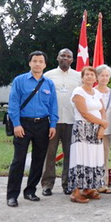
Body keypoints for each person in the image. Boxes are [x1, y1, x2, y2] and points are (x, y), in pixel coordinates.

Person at [6, 51, 58, 207]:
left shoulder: (48, 84)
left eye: (40, 61)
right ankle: (12, 195)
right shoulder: (20, 81)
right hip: (23, 124)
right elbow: (13, 103)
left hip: (43, 125)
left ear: (45, 65)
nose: (37, 64)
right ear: (29, 63)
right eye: (34, 61)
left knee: (38, 160)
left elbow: (53, 105)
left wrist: (53, 124)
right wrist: (16, 124)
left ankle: (30, 191)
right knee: (18, 160)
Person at [41, 48, 82, 196]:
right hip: (52, 122)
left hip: (72, 120)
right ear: (57, 58)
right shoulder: (48, 75)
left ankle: (68, 184)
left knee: (70, 155)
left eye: (68, 56)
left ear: (72, 60)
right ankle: (47, 184)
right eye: (62, 56)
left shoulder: (78, 76)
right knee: (50, 153)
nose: (65, 58)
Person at [69, 66, 109, 203]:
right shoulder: (78, 91)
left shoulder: (96, 93)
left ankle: (88, 188)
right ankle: (75, 192)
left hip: (96, 129)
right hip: (82, 129)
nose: (90, 77)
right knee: (80, 159)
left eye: (92, 75)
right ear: (82, 77)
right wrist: (103, 123)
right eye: (87, 75)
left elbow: (102, 110)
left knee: (92, 158)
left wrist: (102, 127)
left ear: (96, 78)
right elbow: (84, 113)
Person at [94, 64, 111, 194]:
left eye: (107, 75)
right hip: (92, 130)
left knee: (104, 157)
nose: (104, 78)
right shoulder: (92, 91)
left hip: (107, 131)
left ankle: (103, 183)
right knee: (92, 157)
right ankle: (92, 183)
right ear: (97, 76)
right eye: (102, 75)